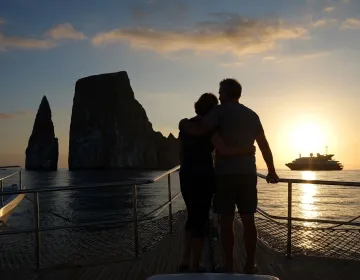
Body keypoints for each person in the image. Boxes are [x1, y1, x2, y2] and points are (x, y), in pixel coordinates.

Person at [179, 79, 279, 274]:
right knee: (249, 220)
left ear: (225, 93)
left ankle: (229, 265)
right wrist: (271, 170)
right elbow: (264, 144)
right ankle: (250, 264)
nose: (218, 96)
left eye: (220, 92)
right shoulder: (252, 115)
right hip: (248, 174)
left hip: (224, 175)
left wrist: (182, 123)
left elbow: (199, 129)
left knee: (226, 221)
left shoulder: (219, 111)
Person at [178, 93, 256, 273]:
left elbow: (181, 153)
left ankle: (184, 259)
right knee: (201, 218)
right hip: (203, 176)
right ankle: (195, 264)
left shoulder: (185, 126)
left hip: (186, 174)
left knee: (191, 216)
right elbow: (224, 150)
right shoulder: (209, 129)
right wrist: (247, 149)